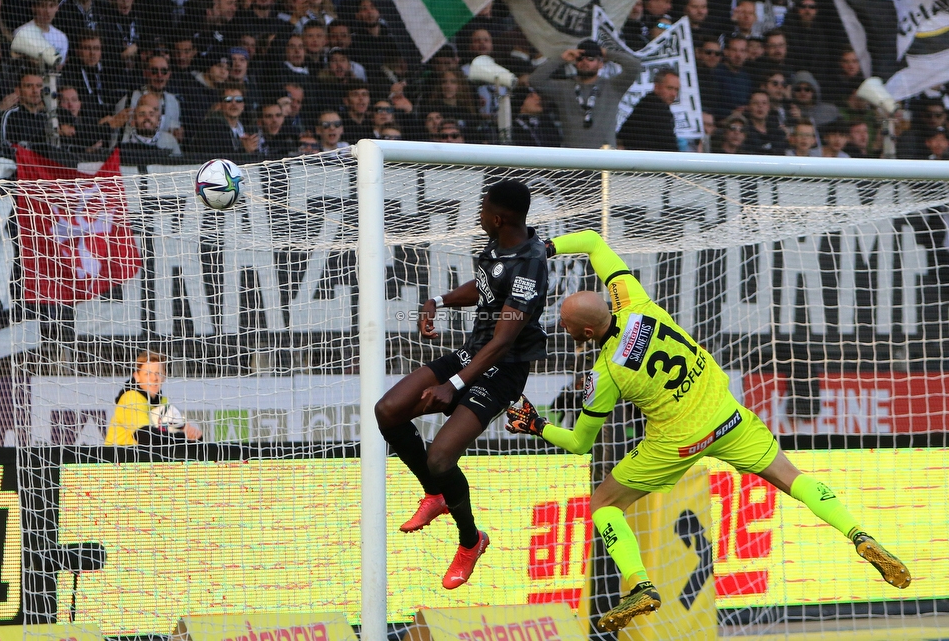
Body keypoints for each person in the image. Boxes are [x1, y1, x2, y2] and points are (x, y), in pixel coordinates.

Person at [505, 230, 911, 630]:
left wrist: (536, 424)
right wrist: (544, 247)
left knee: (604, 505)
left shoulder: (605, 373)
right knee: (791, 477)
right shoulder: (635, 301)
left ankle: (640, 584)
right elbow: (594, 241)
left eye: (564, 322)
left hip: (677, 442)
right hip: (725, 415)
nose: (561, 328)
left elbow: (579, 443)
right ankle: (857, 533)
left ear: (587, 333)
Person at [374, 180, 549, 590]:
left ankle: (470, 542)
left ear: (498, 217)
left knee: (440, 457)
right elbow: (486, 289)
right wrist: (441, 299)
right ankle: (435, 496)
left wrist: (453, 384)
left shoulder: (530, 263)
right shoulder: (498, 243)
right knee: (389, 411)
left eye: (483, 209)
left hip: (502, 369)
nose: (479, 215)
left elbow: (504, 339)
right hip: (473, 354)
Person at [529, 39, 641, 149]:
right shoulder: (564, 87)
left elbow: (634, 66)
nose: (584, 62)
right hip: (573, 156)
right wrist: (561, 58)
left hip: (605, 156)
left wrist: (607, 53)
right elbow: (535, 80)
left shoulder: (613, 86)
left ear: (600, 63)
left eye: (591, 58)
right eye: (580, 58)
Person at [106, 350, 203, 445]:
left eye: (158, 373)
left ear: (164, 376)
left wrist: (193, 435)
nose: (154, 378)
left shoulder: (163, 402)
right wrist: (184, 437)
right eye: (148, 374)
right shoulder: (130, 398)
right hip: (119, 458)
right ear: (137, 377)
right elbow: (145, 437)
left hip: (144, 458)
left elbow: (182, 435)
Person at [617, 67, 679, 151]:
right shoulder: (654, 109)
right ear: (656, 87)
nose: (673, 94)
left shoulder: (647, 103)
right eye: (669, 88)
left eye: (676, 90)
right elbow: (669, 145)